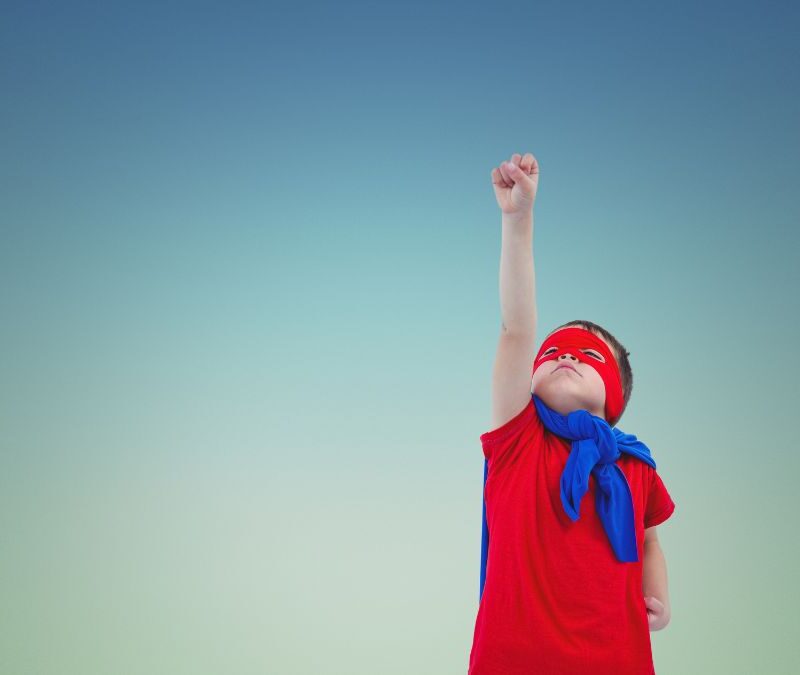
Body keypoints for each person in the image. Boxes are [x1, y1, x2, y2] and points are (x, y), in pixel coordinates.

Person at [468, 153, 676, 675]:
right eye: (554, 351)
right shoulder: (518, 441)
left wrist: (658, 597)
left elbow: (649, 540)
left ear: (615, 398)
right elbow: (516, 329)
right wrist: (518, 220)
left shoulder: (637, 468)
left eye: (587, 356)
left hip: (617, 659)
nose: (564, 355)